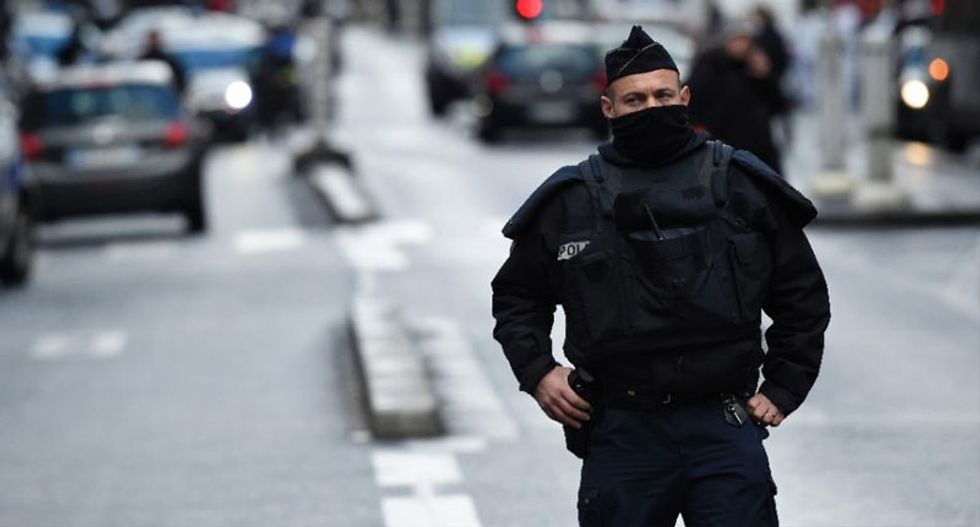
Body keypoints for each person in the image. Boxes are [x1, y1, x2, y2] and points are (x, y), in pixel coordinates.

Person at [491, 25, 830, 526]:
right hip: (622, 431)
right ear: (608, 108)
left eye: (662, 96)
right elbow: (517, 296)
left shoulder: (739, 185)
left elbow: (801, 293)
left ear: (684, 98)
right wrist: (539, 371)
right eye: (635, 99)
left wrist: (784, 387)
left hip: (722, 424)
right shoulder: (573, 200)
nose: (651, 107)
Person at [686, 20, 786, 174]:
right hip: (721, 149)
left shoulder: (754, 68)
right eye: (737, 39)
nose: (742, 45)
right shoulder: (710, 65)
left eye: (746, 40)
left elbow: (777, 105)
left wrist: (764, 78)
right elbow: (693, 100)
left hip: (757, 150)